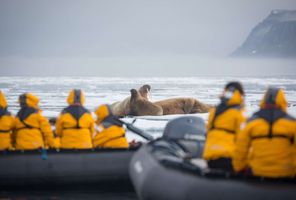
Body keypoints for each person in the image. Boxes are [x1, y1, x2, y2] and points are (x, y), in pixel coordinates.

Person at [233, 87, 296, 178]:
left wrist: (239, 168)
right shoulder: (292, 124)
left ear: (263, 101)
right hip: (285, 173)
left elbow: (240, 149)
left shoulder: (252, 122)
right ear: (283, 102)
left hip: (257, 171)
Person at [203, 81, 246, 171]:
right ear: (240, 94)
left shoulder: (214, 111)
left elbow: (207, 132)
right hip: (228, 156)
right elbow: (242, 139)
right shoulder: (239, 113)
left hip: (210, 155)